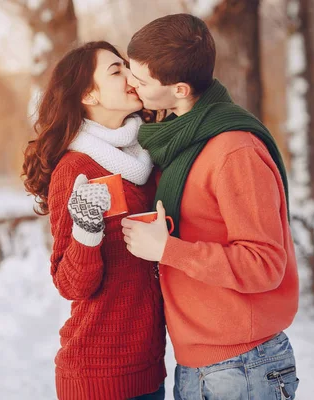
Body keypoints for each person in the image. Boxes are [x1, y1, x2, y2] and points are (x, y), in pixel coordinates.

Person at [121, 14, 301, 400]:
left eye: (141, 80)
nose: (130, 86)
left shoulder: (234, 151)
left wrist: (167, 251)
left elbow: (265, 262)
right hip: (198, 362)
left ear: (180, 89)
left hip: (243, 364)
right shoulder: (180, 142)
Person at [22, 41, 166, 400]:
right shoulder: (76, 169)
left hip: (149, 372)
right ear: (89, 93)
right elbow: (71, 285)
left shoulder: (144, 160)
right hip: (96, 377)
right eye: (116, 71)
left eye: (127, 67)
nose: (130, 77)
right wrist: (87, 230)